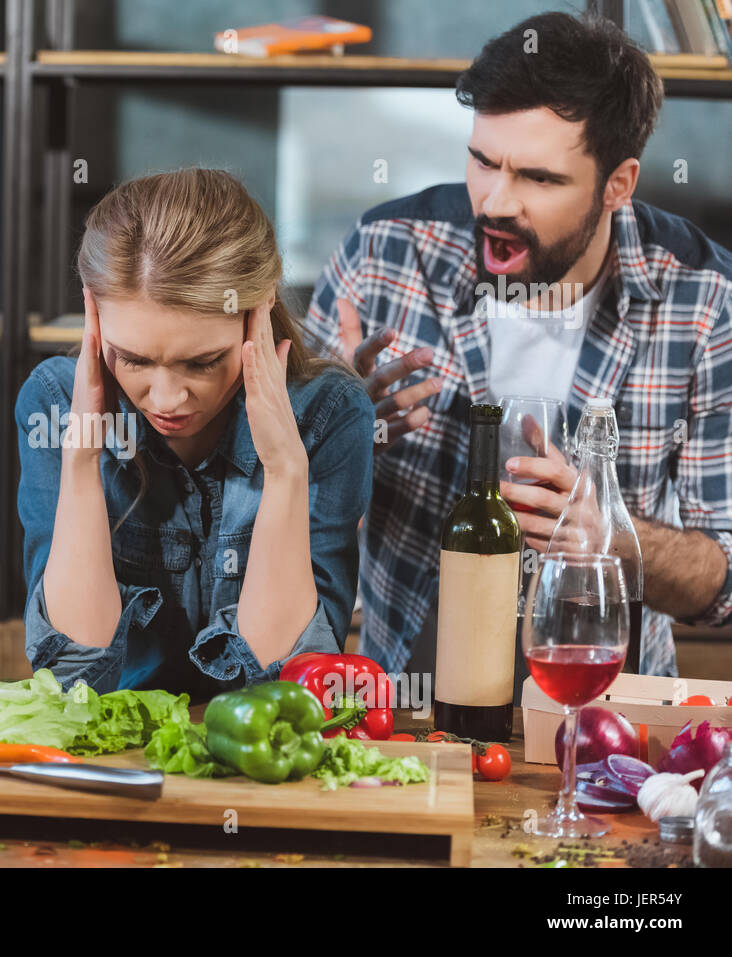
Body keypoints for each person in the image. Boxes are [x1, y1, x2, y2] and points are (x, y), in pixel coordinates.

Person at [305, 12, 732, 679]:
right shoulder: (382, 254)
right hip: (405, 704)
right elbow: (265, 500)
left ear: (619, 183)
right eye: (482, 161)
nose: (495, 203)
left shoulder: (705, 300)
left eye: (538, 178)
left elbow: (722, 585)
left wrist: (610, 536)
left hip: (600, 703)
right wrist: (339, 431)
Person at [16, 168, 374, 699]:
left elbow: (284, 686)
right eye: (133, 358)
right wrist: (82, 454)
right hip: (114, 763)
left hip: (257, 768)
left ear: (260, 311)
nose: (165, 400)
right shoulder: (54, 404)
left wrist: (285, 469)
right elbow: (75, 677)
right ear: (94, 313)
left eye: (202, 362)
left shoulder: (330, 415)